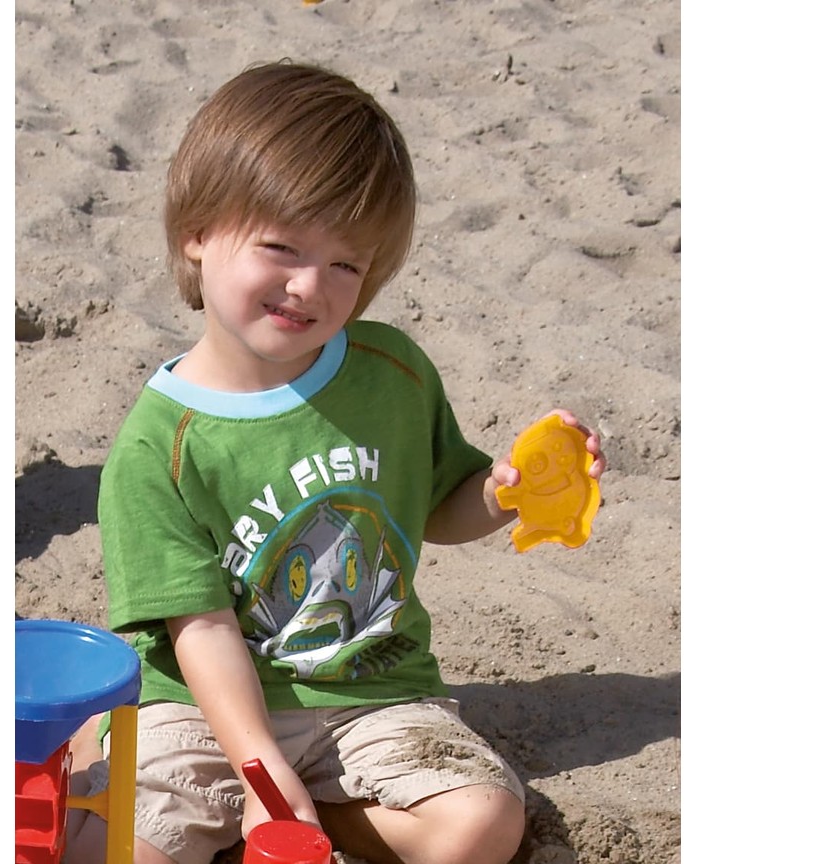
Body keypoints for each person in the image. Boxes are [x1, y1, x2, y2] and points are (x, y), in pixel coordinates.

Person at [65, 60, 605, 864]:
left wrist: (502, 495)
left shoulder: (392, 372)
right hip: (203, 709)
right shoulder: (159, 444)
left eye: (346, 263)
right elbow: (201, 629)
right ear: (198, 233)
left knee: (486, 821)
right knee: (105, 851)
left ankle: (326, 813)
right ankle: (123, 750)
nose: (309, 286)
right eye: (280, 246)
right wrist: (261, 773)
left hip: (370, 693)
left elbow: (437, 506)